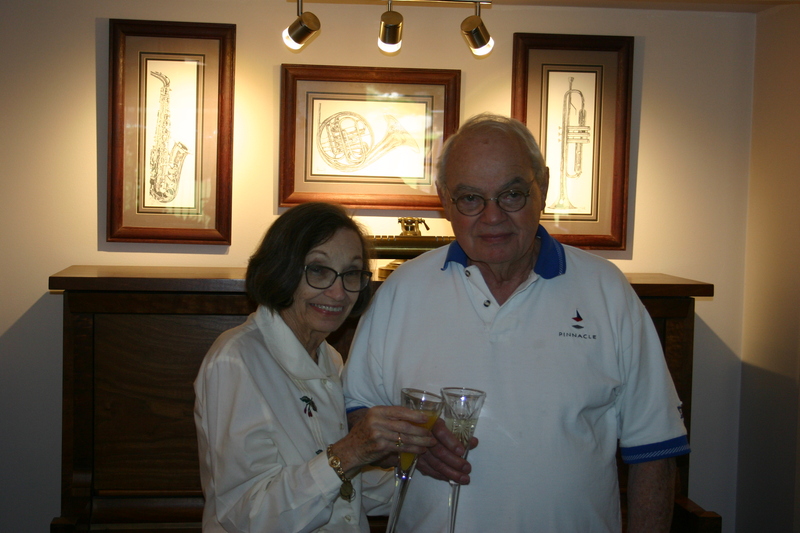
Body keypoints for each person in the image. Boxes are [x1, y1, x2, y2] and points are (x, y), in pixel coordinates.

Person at [343, 114, 690, 532]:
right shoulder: (402, 290)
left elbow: (655, 449)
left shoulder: (607, 291)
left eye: (511, 194)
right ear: (444, 200)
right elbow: (356, 412)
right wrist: (406, 444)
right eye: (470, 198)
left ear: (543, 187)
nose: (493, 217)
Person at [194, 202, 437, 533]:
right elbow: (249, 514)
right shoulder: (236, 360)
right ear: (281, 270)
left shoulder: (330, 358)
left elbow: (344, 493)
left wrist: (425, 471)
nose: (338, 293)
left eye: (351, 273)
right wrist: (351, 452)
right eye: (319, 270)